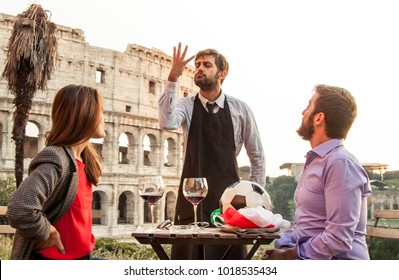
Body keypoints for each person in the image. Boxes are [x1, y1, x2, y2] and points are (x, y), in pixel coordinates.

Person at [158, 43, 265, 259]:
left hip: (231, 198)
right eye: (197, 65)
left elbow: (257, 157)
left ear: (222, 74)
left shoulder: (240, 109)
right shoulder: (185, 105)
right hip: (192, 196)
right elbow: (167, 122)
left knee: (229, 262)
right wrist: (172, 78)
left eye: (206, 65)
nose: (199, 68)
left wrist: (253, 200)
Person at [263, 84, 371, 260]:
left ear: (319, 118)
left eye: (308, 107)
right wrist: (285, 242)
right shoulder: (318, 161)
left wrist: (289, 255)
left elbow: (339, 238)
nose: (303, 112)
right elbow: (308, 227)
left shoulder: (340, 164)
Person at [7, 85, 105, 260]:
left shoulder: (83, 161)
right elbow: (20, 209)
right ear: (86, 114)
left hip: (82, 257)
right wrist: (48, 231)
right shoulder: (57, 159)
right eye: (101, 112)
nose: (104, 118)